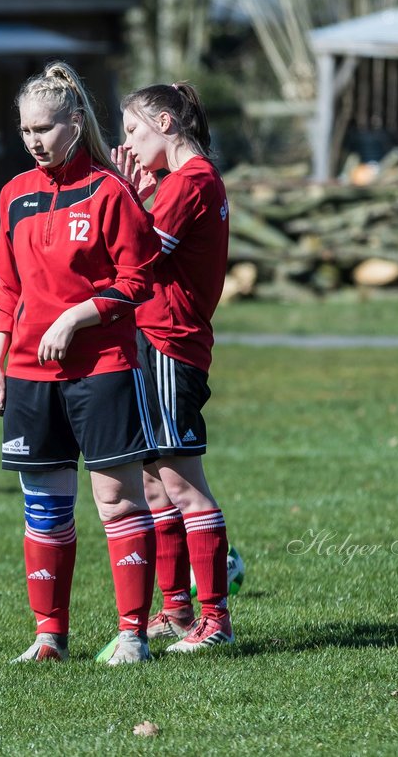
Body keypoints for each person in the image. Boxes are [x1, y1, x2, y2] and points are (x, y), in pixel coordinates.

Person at [0, 61, 163, 665]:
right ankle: (48, 637)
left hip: (104, 368)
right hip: (31, 376)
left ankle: (133, 635)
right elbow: (8, 288)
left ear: (76, 122)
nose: (35, 141)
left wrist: (75, 316)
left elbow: (136, 283)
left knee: (116, 502)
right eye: (26, 130)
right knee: (45, 508)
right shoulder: (14, 195)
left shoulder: (111, 193)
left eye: (46, 129)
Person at [111, 82, 234, 652]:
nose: (129, 146)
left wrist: (122, 196)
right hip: (153, 340)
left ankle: (216, 621)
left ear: (166, 122)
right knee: (157, 487)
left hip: (170, 344)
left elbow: (139, 252)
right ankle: (178, 610)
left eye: (134, 132)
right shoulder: (178, 182)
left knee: (185, 488)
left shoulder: (191, 182)